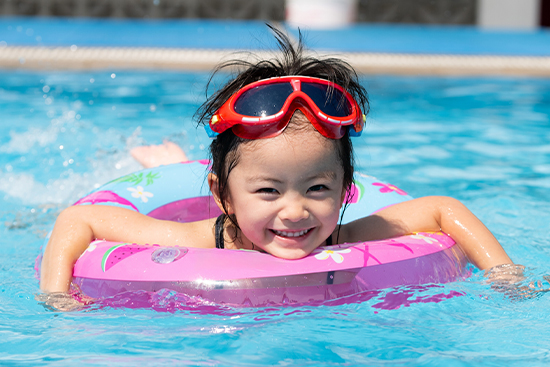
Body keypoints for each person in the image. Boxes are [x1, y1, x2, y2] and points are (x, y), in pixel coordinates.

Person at [40, 27, 517, 300]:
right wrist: (58, 297)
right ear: (222, 195)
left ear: (347, 188)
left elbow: (442, 210)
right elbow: (78, 218)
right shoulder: (190, 239)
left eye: (317, 189)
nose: (295, 211)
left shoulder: (345, 234)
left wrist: (503, 273)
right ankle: (171, 162)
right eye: (268, 191)